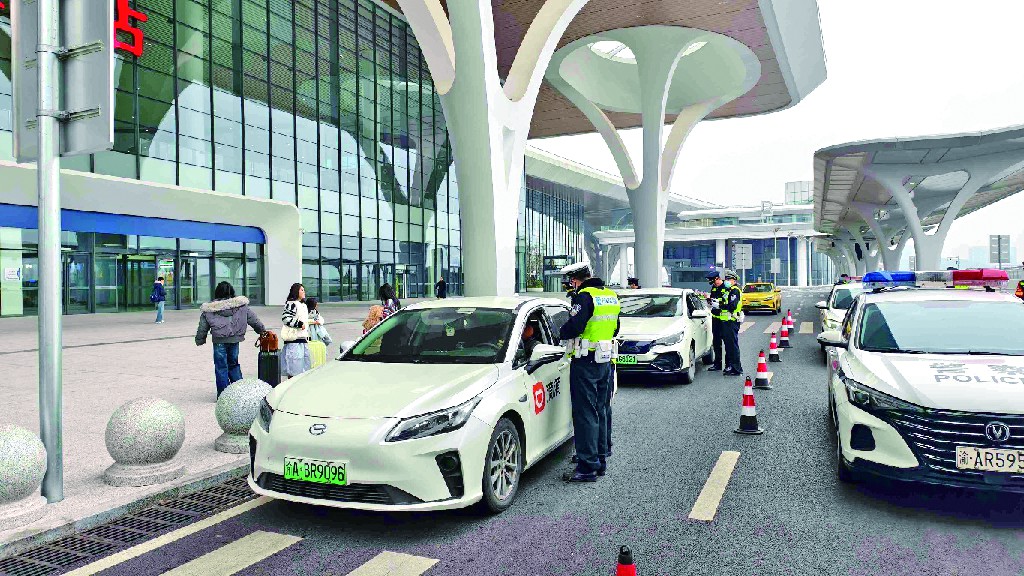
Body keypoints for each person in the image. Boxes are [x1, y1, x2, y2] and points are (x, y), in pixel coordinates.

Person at [558, 262, 620, 483]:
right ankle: (600, 460)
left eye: (571, 282)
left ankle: (587, 467)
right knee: (601, 409)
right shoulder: (611, 296)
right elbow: (616, 328)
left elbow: (575, 327)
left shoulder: (584, 297)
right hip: (605, 360)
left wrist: (560, 332)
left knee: (585, 413)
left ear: (575, 280)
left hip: (586, 361)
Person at [195, 281, 266, 397]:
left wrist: (200, 339)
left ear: (217, 292)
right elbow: (254, 320)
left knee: (221, 367)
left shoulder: (210, 309)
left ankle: (224, 395)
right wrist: (262, 331)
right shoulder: (241, 306)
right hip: (235, 340)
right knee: (234, 364)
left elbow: (202, 327)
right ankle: (240, 393)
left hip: (219, 341)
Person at [280, 283, 311, 379]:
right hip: (294, 340)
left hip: (303, 340)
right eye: (302, 290)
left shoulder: (303, 305)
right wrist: (299, 324)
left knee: (303, 367)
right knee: (294, 367)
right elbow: (285, 318)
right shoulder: (291, 304)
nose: (304, 292)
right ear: (296, 291)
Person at [718, 269, 744, 376]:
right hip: (726, 321)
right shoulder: (728, 291)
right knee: (729, 346)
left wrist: (720, 306)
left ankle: (737, 369)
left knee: (733, 346)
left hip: (732, 321)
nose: (726, 281)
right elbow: (724, 302)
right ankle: (730, 367)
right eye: (726, 279)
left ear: (734, 280)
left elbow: (732, 306)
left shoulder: (735, 291)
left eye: (729, 279)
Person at [705, 270, 726, 372]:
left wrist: (716, 302)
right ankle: (717, 363)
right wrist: (709, 300)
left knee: (727, 342)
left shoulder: (726, 288)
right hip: (715, 318)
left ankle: (729, 364)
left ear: (718, 278)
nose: (714, 284)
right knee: (716, 342)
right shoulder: (714, 287)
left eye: (714, 281)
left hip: (725, 319)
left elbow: (726, 302)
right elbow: (712, 300)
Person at [306, 297, 332, 369]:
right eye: (316, 304)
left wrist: (318, 322)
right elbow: (303, 321)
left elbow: (321, 320)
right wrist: (313, 322)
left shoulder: (316, 312)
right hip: (309, 333)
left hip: (316, 333)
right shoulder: (304, 313)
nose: (317, 306)